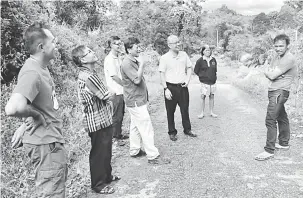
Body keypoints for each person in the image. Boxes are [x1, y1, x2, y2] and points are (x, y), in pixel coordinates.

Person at [5, 22, 67, 197]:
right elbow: (13, 107)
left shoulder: (40, 68)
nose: (56, 45)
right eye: (53, 42)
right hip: (46, 145)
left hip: (49, 142)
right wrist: (36, 115)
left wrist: (26, 122)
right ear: (41, 47)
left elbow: (33, 102)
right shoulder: (32, 72)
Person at [71, 45, 120, 194]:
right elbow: (106, 95)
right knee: (99, 152)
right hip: (96, 120)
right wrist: (111, 92)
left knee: (106, 150)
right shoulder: (88, 76)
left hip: (102, 118)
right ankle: (98, 184)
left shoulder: (88, 73)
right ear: (83, 59)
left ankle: (107, 177)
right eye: (89, 52)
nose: (93, 52)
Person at [121, 37, 169, 165]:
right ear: (129, 49)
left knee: (135, 126)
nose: (139, 49)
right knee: (146, 127)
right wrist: (142, 64)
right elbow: (136, 80)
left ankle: (135, 150)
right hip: (135, 100)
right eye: (137, 47)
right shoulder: (126, 63)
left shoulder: (132, 60)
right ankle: (153, 156)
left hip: (136, 99)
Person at [255, 34, 298, 161]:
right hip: (275, 90)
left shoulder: (288, 58)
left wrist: (271, 74)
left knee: (270, 119)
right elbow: (271, 70)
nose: (278, 48)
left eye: (281, 46)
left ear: (287, 46)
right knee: (281, 116)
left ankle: (269, 150)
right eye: (276, 46)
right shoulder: (277, 57)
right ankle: (284, 143)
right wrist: (272, 73)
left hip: (279, 91)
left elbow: (272, 75)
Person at [158, 35, 197, 141]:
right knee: (170, 111)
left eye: (179, 42)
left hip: (182, 87)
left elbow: (189, 68)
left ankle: (187, 129)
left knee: (185, 109)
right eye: (175, 42)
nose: (178, 44)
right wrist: (166, 89)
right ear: (169, 45)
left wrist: (187, 80)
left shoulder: (184, 55)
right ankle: (172, 132)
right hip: (170, 87)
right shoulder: (164, 58)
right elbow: (162, 74)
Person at [104, 36, 128, 145]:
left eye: (119, 43)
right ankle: (115, 138)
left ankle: (119, 134)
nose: (118, 45)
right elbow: (114, 76)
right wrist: (126, 85)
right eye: (115, 44)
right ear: (110, 46)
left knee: (121, 113)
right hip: (115, 91)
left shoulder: (118, 57)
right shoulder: (109, 59)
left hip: (121, 90)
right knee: (116, 115)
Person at [194, 45, 218, 119]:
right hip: (204, 82)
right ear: (203, 51)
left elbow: (215, 70)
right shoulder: (200, 60)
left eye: (209, 50)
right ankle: (201, 113)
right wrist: (202, 76)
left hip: (212, 82)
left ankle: (211, 112)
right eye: (206, 50)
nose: (208, 51)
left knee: (212, 96)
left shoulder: (213, 60)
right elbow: (196, 71)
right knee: (203, 96)